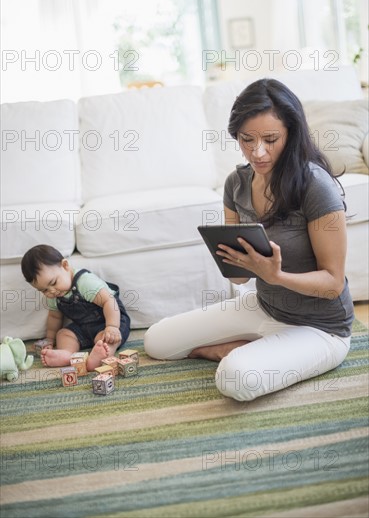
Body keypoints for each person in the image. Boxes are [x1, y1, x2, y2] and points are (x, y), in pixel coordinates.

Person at [144, 78, 354, 402]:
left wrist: (277, 276)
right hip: (263, 306)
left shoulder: (316, 188)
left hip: (320, 328)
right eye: (247, 139)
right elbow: (241, 278)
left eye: (271, 139)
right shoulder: (236, 184)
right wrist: (235, 260)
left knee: (235, 378)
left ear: (291, 134)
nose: (258, 152)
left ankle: (244, 354)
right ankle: (250, 348)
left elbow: (333, 283)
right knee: (157, 341)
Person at [21, 245, 130, 370]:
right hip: (83, 327)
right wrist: (50, 338)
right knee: (63, 334)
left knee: (108, 340)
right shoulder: (53, 296)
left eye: (53, 283)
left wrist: (112, 327)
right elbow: (54, 317)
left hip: (110, 320)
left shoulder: (85, 282)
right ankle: (67, 354)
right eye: (44, 290)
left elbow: (109, 301)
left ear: (65, 266)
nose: (52, 291)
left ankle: (98, 356)